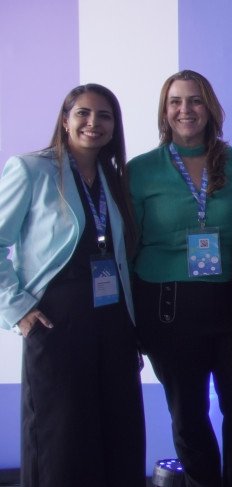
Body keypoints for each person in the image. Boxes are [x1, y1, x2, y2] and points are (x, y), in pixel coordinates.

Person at [0, 84, 145, 486]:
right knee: (62, 438)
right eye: (83, 113)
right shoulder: (31, 169)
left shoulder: (114, 178)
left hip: (113, 323)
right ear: (65, 120)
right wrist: (18, 309)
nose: (93, 123)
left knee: (118, 434)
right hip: (56, 323)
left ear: (114, 126)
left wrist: (132, 329)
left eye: (105, 116)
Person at [129, 70, 232, 487]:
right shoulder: (141, 170)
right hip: (167, 308)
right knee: (188, 415)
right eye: (175, 101)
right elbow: (128, 248)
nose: (185, 109)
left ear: (210, 108)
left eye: (195, 100)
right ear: (164, 111)